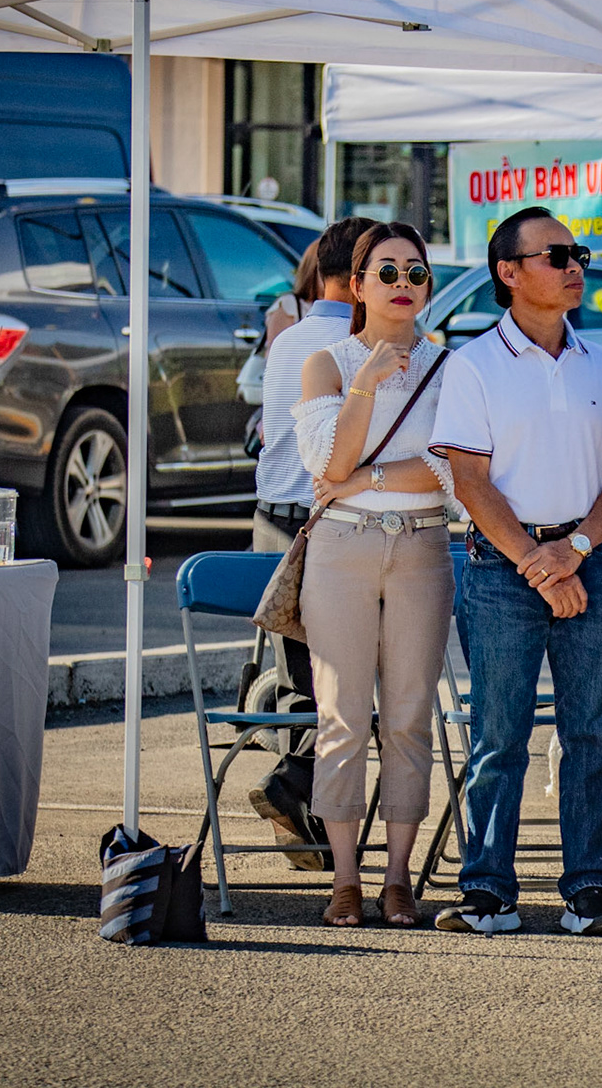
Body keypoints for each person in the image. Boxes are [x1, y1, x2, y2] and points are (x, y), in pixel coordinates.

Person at [430, 208, 602, 937]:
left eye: (576, 252)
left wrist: (573, 552)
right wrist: (540, 563)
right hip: (503, 567)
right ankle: (487, 891)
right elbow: (470, 482)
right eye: (556, 255)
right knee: (499, 734)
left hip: (589, 561)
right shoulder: (473, 364)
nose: (575, 265)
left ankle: (590, 892)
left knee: (594, 733)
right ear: (509, 272)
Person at [294, 221, 454, 930]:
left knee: (411, 715)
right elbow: (326, 464)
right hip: (341, 548)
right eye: (386, 272)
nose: (402, 284)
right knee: (342, 716)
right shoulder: (327, 364)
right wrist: (365, 382)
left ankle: (398, 878)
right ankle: (345, 879)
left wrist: (368, 477)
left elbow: (454, 471)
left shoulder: (451, 367)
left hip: (423, 545)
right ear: (356, 285)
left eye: (415, 272)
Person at [247, 216, 372, 868]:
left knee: (304, 681)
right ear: (359, 278)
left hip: (271, 519)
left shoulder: (290, 338)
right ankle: (295, 786)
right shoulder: (357, 346)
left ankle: (309, 813)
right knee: (345, 686)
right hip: (327, 525)